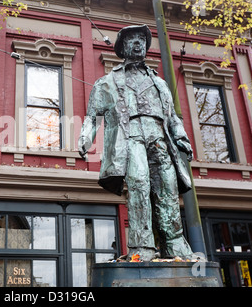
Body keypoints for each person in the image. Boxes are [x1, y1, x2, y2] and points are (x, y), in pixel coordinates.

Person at [78, 25, 194, 261]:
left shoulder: (160, 83)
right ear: (122, 47)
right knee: (139, 184)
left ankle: (174, 245)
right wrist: (85, 136)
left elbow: (172, 117)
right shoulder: (107, 82)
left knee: (168, 189)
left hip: (159, 139)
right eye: (132, 39)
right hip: (130, 138)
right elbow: (92, 116)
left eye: (142, 39)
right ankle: (142, 247)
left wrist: (181, 138)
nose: (138, 43)